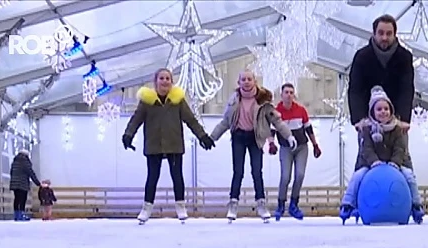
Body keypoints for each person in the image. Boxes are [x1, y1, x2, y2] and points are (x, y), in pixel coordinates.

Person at [122, 68, 214, 224]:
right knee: (152, 177)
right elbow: (136, 119)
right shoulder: (147, 101)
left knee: (177, 176)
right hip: (154, 144)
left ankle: (180, 206)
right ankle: (146, 209)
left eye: (168, 78)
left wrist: (202, 136)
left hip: (174, 143)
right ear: (156, 81)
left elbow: (190, 120)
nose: (165, 81)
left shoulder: (177, 101)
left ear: (172, 82)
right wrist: (128, 134)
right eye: (162, 78)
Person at [210, 70, 297, 222]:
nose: (246, 82)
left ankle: (261, 204)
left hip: (255, 138)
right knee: (238, 172)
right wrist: (212, 137)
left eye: (249, 79)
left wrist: (289, 135)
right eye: (243, 79)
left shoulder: (263, 101)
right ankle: (233, 204)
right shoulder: (234, 100)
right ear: (239, 82)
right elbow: (225, 121)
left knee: (257, 171)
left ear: (255, 81)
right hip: (238, 137)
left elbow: (277, 121)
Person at [339, 87, 424, 224]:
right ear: (372, 112)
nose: (383, 112)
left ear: (391, 111)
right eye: (379, 109)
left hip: (395, 164)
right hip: (370, 165)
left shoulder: (397, 128)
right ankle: (348, 204)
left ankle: (416, 204)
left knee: (409, 176)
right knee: (358, 176)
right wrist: (374, 162)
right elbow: (366, 149)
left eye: (386, 109)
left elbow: (400, 148)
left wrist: (395, 163)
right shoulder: (366, 129)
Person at [348, 14, 413, 164]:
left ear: (395, 34)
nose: (384, 38)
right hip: (369, 120)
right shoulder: (362, 56)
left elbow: (406, 88)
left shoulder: (404, 57)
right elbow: (355, 89)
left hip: (396, 119)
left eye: (389, 34)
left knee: (402, 160)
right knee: (365, 160)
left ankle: (408, 186)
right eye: (381, 33)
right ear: (374, 33)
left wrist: (404, 118)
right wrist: (358, 119)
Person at [273, 82, 322, 221]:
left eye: (291, 92)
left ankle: (294, 204)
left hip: (301, 147)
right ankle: (280, 204)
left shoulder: (301, 110)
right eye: (286, 92)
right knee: (285, 177)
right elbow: (272, 130)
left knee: (299, 175)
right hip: (285, 148)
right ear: (281, 95)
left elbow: (308, 129)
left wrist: (315, 145)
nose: (289, 95)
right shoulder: (276, 112)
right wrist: (271, 143)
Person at [9, 149, 40, 221]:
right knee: (22, 199)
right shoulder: (25, 162)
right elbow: (30, 172)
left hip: (14, 184)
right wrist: (37, 183)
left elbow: (11, 172)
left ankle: (16, 215)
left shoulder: (15, 161)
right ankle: (21, 214)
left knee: (17, 199)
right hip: (22, 183)